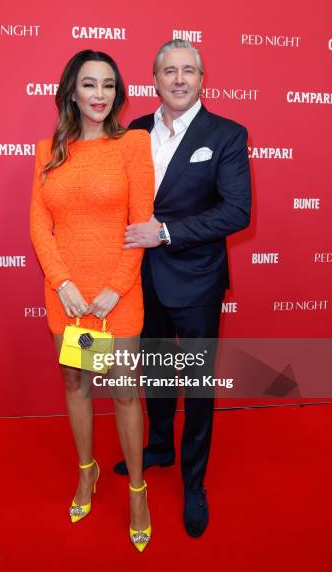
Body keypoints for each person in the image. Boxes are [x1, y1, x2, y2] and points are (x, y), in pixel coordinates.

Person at [114, 39, 251, 537]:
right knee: (154, 370)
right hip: (138, 278)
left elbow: (237, 211)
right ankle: (160, 448)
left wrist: (167, 232)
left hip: (195, 280)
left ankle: (194, 482)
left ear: (201, 79)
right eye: (168, 71)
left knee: (196, 384)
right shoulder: (134, 130)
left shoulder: (228, 134)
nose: (178, 79)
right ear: (154, 79)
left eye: (188, 70)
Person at [30, 50, 154, 551]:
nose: (99, 94)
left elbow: (141, 225)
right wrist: (63, 284)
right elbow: (40, 224)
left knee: (124, 393)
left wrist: (113, 289)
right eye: (89, 84)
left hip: (115, 297)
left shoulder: (133, 145)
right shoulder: (49, 150)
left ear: (117, 92)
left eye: (108, 85)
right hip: (69, 298)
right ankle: (87, 471)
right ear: (72, 92)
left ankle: (139, 492)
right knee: (77, 385)